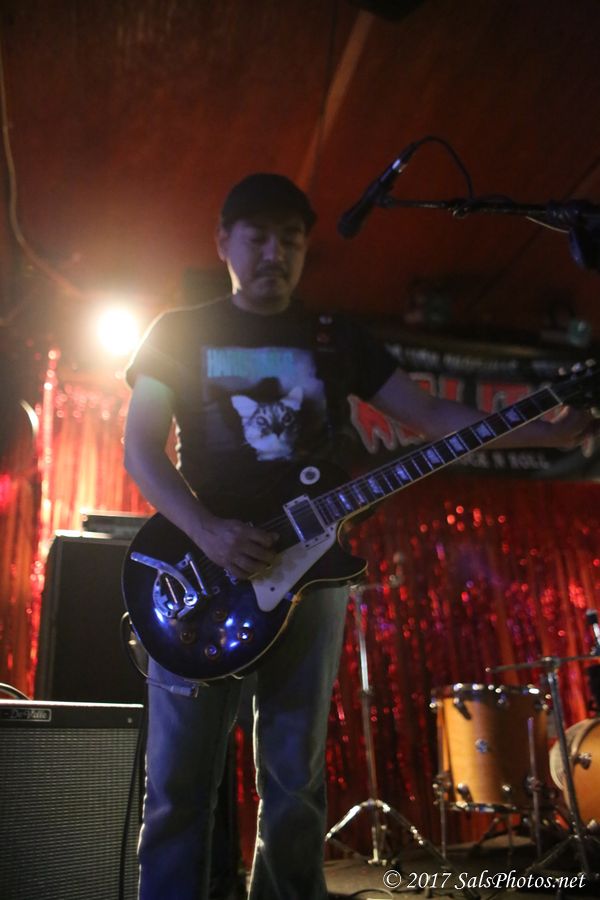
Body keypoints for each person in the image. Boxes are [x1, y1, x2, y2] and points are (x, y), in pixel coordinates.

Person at [123, 173, 592, 900]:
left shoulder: (335, 334)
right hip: (201, 569)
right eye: (258, 236)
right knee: (178, 785)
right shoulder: (178, 330)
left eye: (291, 239)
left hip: (313, 574)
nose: (276, 252)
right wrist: (208, 532)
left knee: (294, 777)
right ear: (222, 242)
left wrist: (545, 426)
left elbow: (430, 416)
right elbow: (141, 451)